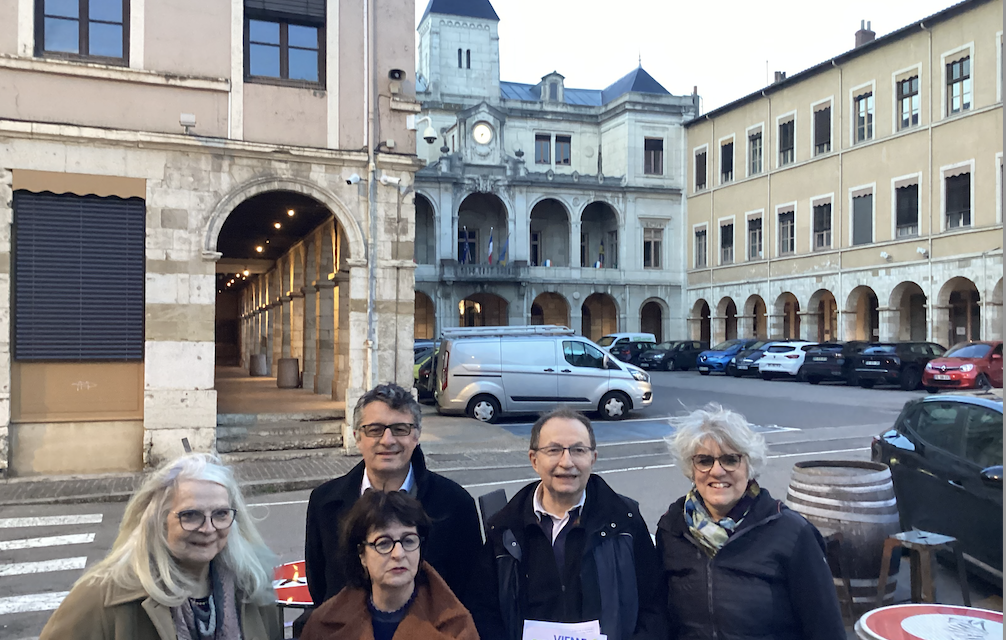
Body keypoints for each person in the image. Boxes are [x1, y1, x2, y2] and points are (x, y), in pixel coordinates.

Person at [470, 408, 666, 640]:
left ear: (593, 459)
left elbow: (655, 607)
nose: (566, 462)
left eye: (578, 450)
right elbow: (483, 612)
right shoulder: (504, 528)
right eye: (554, 450)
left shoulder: (624, 521)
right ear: (534, 459)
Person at [39, 453, 282, 640]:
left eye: (220, 514)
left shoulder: (250, 589)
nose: (208, 528)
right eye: (190, 515)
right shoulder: (103, 596)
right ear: (158, 520)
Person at [656, 404, 845, 640]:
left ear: (750, 465)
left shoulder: (792, 533)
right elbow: (662, 618)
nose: (717, 471)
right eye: (704, 461)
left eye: (730, 459)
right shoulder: (672, 529)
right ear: (691, 469)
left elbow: (825, 628)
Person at [305, 383, 481, 608]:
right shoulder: (324, 503)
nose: (387, 440)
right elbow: (319, 586)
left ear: (416, 435)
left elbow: (470, 589)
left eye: (400, 429)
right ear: (357, 437)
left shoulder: (455, 505)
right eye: (375, 429)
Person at [300, 490, 479, 640]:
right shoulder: (323, 625)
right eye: (383, 543)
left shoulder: (456, 627)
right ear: (362, 554)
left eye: (409, 541)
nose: (398, 554)